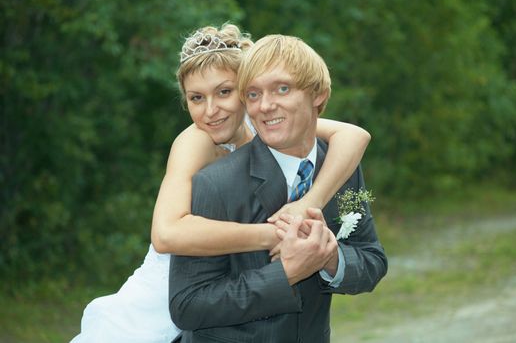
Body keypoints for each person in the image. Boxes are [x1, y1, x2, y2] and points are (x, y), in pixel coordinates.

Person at [71, 24, 370, 343]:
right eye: (196, 98)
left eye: (224, 92)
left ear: (246, 91)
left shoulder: (264, 127)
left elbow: (354, 135)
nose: (211, 110)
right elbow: (166, 234)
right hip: (160, 306)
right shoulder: (196, 141)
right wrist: (276, 234)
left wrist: (306, 205)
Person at [169, 34, 387, 343]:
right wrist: (286, 273)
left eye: (282, 89)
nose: (266, 106)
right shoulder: (214, 183)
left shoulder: (341, 169)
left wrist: (330, 258)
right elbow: (187, 306)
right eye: (254, 94)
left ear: (318, 96)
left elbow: (372, 259)